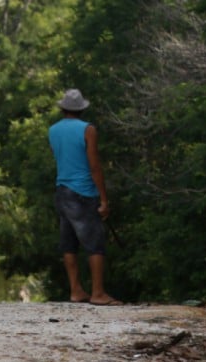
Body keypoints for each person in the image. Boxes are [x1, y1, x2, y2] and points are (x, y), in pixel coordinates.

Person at [49, 88, 121, 305]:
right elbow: (94, 165)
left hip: (62, 190)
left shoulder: (53, 130)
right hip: (83, 192)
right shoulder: (88, 129)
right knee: (95, 243)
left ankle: (76, 290)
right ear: (81, 109)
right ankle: (98, 293)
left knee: (68, 243)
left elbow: (60, 157)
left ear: (63, 109)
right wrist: (104, 199)